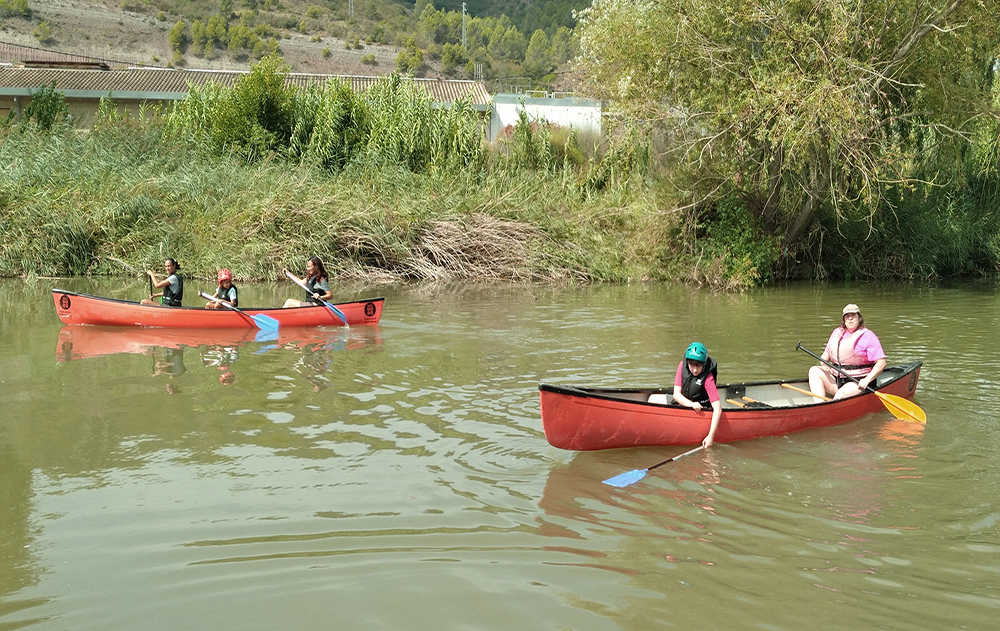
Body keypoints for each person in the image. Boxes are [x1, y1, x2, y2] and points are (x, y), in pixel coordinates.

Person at [808, 303, 886, 402]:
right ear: (844, 320)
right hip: (838, 380)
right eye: (847, 316)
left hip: (858, 382)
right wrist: (823, 364)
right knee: (814, 371)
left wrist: (867, 380)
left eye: (853, 316)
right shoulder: (837, 333)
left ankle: (831, 408)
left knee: (840, 394)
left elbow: (881, 363)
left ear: (859, 318)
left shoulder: (868, 336)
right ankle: (819, 405)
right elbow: (825, 355)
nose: (850, 319)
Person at [673, 342, 722, 448]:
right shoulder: (682, 366)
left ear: (704, 364)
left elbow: (717, 409)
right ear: (687, 362)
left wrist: (710, 436)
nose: (695, 370)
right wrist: (691, 404)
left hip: (701, 409)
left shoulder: (708, 378)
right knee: (652, 398)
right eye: (692, 365)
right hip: (688, 403)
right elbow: (676, 394)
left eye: (699, 366)